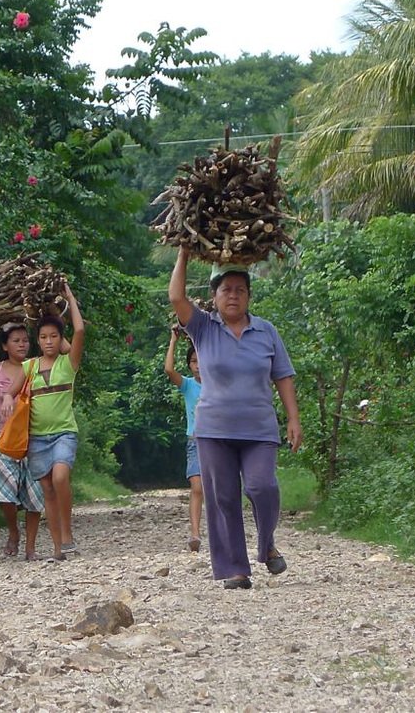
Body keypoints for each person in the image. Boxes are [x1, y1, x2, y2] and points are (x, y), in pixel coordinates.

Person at [168, 248, 301, 590]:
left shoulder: (266, 332)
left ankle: (267, 543)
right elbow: (176, 296)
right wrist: (184, 251)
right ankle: (235, 570)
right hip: (213, 429)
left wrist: (293, 419)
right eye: (226, 289)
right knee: (223, 497)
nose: (233, 296)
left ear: (249, 296)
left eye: (240, 290)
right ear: (213, 296)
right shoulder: (203, 327)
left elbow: (283, 376)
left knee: (262, 486)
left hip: (259, 427)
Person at [13, 283, 84, 561]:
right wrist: (8, 402)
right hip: (36, 438)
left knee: (61, 477)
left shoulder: (69, 364)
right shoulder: (28, 367)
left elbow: (79, 331)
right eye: (43, 337)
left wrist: (70, 297)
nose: (49, 341)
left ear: (60, 339)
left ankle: (67, 533)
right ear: (38, 340)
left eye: (54, 336)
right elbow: (11, 393)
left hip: (64, 433)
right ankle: (58, 548)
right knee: (48, 492)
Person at [0, 322, 45, 560]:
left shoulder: (37, 366)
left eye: (25, 340)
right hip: (4, 439)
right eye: (16, 341)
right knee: (5, 494)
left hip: (34, 438)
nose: (22, 344)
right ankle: (13, 532)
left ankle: (31, 548)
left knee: (35, 495)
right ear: (5, 346)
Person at [163, 326, 204, 552]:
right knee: (197, 487)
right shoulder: (188, 385)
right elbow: (169, 369)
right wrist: (173, 339)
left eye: (202, 360)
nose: (198, 365)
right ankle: (195, 533)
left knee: (218, 489)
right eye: (194, 361)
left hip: (218, 441)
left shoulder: (219, 383)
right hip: (196, 441)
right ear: (189, 365)